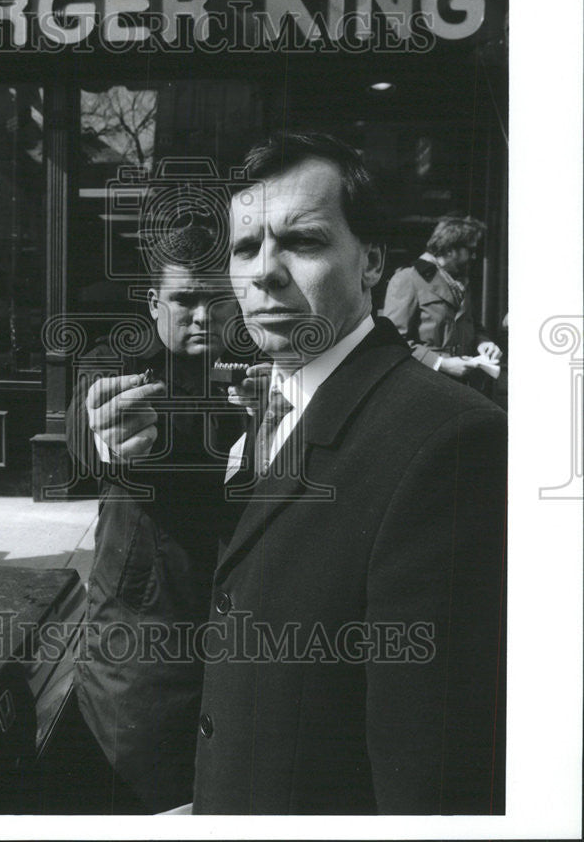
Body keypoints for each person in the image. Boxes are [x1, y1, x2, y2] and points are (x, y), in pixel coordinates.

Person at [192, 132, 507, 815]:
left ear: (372, 263)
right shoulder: (280, 398)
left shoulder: (449, 440)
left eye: (301, 242)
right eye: (245, 248)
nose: (263, 272)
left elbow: (431, 771)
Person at [64, 221, 246, 813]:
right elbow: (85, 420)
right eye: (185, 299)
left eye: (218, 299)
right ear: (154, 304)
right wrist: (104, 438)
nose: (202, 315)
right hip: (143, 627)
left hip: (237, 616)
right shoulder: (122, 361)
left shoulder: (261, 362)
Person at [382, 215, 502, 381]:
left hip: (461, 385)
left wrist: (482, 343)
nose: (474, 257)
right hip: (424, 382)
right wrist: (441, 363)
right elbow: (391, 341)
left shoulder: (457, 281)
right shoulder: (408, 278)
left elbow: (471, 325)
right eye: (471, 250)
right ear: (449, 250)